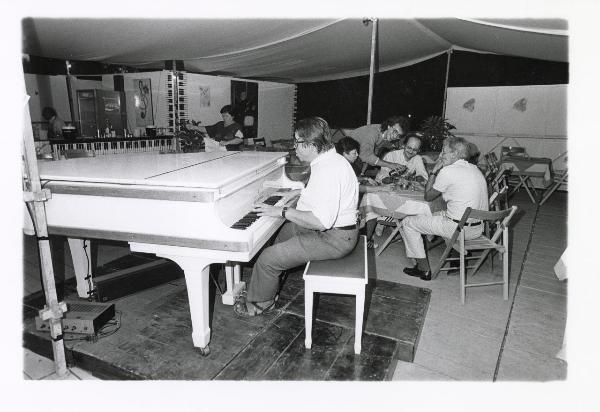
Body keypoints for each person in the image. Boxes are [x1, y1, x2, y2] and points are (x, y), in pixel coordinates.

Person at [234, 117, 359, 316]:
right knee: (277, 237)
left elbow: (320, 221)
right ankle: (269, 283)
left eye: (298, 142)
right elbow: (321, 195)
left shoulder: (329, 170)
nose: (295, 148)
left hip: (335, 238)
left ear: (311, 145)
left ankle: (262, 302)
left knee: (267, 258)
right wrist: (295, 193)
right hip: (330, 231)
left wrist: (281, 210)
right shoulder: (329, 160)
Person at [400, 136, 488, 281]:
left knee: (408, 222)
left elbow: (428, 196)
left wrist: (434, 171)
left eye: (444, 152)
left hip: (458, 230)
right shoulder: (475, 169)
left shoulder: (448, 171)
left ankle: (423, 269)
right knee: (433, 212)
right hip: (477, 229)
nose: (441, 156)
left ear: (455, 154)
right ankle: (451, 255)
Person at [362, 133, 429, 248]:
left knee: (417, 204)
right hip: (384, 187)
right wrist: (395, 178)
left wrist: (415, 178)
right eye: (409, 148)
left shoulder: (417, 159)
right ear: (403, 145)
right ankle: (377, 222)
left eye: (415, 150)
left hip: (404, 191)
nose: (411, 152)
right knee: (371, 199)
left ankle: (393, 220)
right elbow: (383, 178)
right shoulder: (392, 156)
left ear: (418, 151)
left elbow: (423, 177)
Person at [345, 115, 410, 174]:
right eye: (395, 131)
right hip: (345, 156)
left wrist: (362, 173)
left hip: (356, 159)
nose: (395, 136)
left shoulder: (385, 136)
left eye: (398, 135)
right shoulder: (373, 133)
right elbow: (366, 156)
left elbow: (371, 156)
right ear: (389, 126)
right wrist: (390, 165)